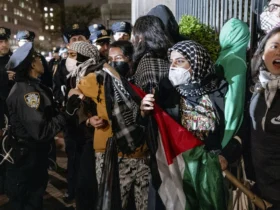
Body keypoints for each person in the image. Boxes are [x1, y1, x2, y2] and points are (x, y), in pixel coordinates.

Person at [140, 40, 241, 209]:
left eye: (179, 61)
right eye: (171, 61)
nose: (173, 66)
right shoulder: (167, 91)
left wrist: (226, 155)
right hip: (178, 168)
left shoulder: (219, 90)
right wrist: (144, 111)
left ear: (196, 62)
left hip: (212, 169)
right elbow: (154, 128)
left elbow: (237, 126)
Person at [4, 42, 68, 210]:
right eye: (38, 57)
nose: (42, 61)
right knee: (28, 202)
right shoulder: (27, 93)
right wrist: (66, 115)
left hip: (31, 156)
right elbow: (41, 131)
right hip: (26, 159)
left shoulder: (33, 86)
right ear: (32, 64)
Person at [250, 26, 280, 209]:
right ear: (262, 54)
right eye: (274, 46)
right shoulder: (258, 87)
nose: (279, 52)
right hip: (261, 189)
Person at [215, 18, 250, 154]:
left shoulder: (222, 57)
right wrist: (226, 139)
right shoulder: (237, 61)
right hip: (226, 129)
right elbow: (234, 101)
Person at [0, 26, 12, 195]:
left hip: (13, 113)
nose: (3, 44)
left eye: (5, 41)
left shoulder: (15, 59)